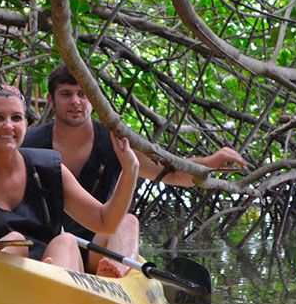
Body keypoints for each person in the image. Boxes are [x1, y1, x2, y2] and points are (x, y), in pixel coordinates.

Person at [22, 68, 247, 278]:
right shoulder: (28, 144)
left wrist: (208, 164)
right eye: (66, 94)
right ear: (51, 100)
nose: (75, 102)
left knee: (127, 221)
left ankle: (111, 277)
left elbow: (171, 174)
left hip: (96, 247)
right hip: (46, 248)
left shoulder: (116, 142)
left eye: (82, 94)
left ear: (95, 99)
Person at [0, 84, 139, 273]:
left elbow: (105, 222)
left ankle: (55, 283)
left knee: (67, 241)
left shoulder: (48, 168)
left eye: (16, 118)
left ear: (25, 124)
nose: (8, 126)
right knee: (15, 240)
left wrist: (130, 170)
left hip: (54, 268)